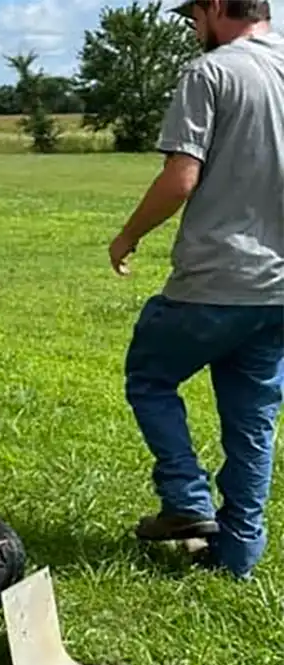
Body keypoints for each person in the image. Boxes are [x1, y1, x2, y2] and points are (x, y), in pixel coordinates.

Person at [108, 0, 284, 580]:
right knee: (253, 418)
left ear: (215, 6)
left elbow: (181, 177)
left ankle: (185, 499)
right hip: (278, 291)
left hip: (214, 278)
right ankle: (236, 558)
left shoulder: (211, 72)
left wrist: (128, 236)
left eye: (192, 15)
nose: (190, 25)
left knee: (151, 376)